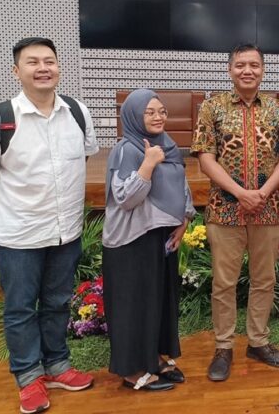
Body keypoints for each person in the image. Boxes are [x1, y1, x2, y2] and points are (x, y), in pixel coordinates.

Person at [0, 37, 99, 414]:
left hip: (64, 230)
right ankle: (28, 376)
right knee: (21, 307)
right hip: (17, 234)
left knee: (57, 302)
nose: (43, 68)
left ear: (59, 67)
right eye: (32, 62)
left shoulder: (77, 112)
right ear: (16, 71)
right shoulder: (0, 119)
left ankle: (57, 365)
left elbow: (84, 159)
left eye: (50, 61)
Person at [190, 43, 279, 382]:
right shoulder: (212, 108)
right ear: (230, 70)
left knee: (264, 279)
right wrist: (239, 193)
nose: (247, 70)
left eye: (253, 64)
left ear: (262, 70)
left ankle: (258, 341)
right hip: (225, 210)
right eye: (240, 65)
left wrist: (263, 194)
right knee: (224, 282)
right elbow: (205, 156)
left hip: (267, 211)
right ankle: (224, 347)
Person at [102, 89, 196, 391]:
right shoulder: (126, 150)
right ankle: (131, 371)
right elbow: (125, 199)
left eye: (162, 111)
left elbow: (182, 186)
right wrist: (148, 164)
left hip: (162, 237)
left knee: (156, 302)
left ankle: (153, 356)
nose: (158, 117)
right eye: (149, 112)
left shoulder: (166, 145)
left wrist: (185, 220)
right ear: (133, 116)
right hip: (132, 240)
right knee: (133, 305)